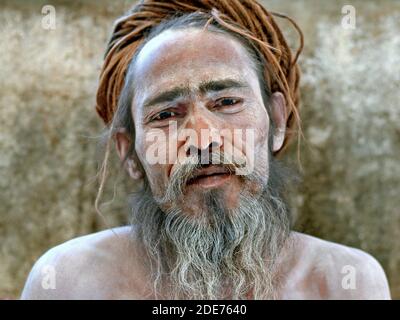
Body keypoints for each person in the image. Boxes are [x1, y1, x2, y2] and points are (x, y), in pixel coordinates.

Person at [21, 0, 391, 299]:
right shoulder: (70, 281)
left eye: (227, 101)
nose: (202, 138)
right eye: (165, 114)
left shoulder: (346, 283)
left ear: (277, 122)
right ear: (129, 155)